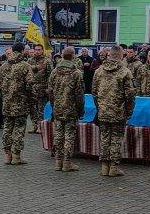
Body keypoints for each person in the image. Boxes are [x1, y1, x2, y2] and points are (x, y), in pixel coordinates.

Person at [92, 44, 135, 177]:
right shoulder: (125, 72)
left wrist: (99, 107)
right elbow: (129, 95)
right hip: (118, 111)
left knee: (104, 138)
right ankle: (113, 167)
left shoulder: (98, 71)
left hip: (103, 111)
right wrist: (129, 111)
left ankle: (104, 167)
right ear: (121, 56)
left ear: (109, 55)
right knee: (116, 139)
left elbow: (94, 92)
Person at [47, 46, 85, 172]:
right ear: (74, 56)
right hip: (71, 109)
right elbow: (79, 95)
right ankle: (67, 162)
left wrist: (53, 105)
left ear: (62, 56)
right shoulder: (76, 73)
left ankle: (58, 162)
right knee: (69, 136)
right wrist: (80, 110)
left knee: (58, 134)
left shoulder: (54, 72)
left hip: (58, 108)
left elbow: (50, 92)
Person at [0, 42, 34, 165]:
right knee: (19, 129)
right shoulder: (25, 66)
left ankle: (7, 155)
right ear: (23, 51)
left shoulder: (3, 66)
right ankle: (16, 156)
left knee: (7, 128)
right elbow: (30, 84)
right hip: (21, 103)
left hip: (7, 102)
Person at [28, 44, 53, 133]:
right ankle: (34, 125)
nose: (37, 51)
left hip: (42, 88)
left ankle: (40, 126)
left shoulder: (47, 61)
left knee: (40, 109)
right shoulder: (30, 60)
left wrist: (48, 88)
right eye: (35, 49)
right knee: (32, 109)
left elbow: (50, 76)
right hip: (31, 89)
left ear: (42, 51)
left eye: (39, 49)